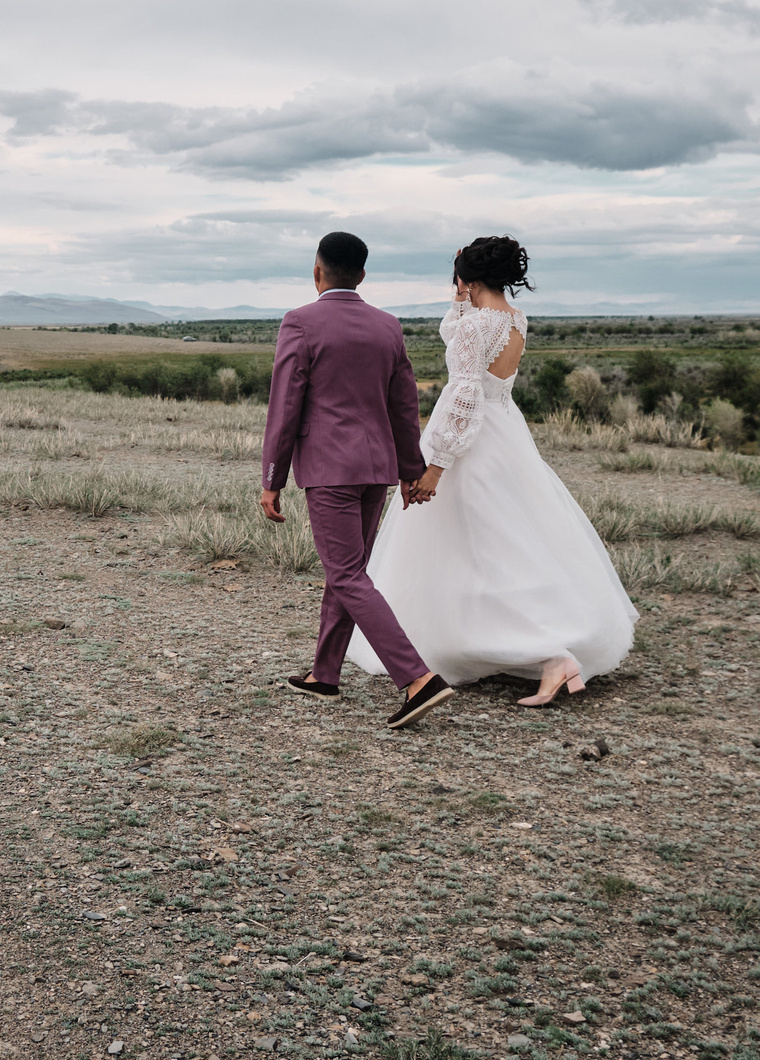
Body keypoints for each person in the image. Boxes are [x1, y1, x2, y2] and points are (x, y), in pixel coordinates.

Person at [347, 235, 636, 703]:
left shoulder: (477, 326)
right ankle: (541, 645)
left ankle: (550, 655)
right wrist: (463, 301)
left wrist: (437, 465)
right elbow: (465, 346)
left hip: (470, 442)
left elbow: (463, 395)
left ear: (468, 278)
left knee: (483, 547)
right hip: (504, 431)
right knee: (509, 538)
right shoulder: (513, 318)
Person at [259, 231, 457, 730]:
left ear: (316, 271)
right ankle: (325, 674)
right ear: (363, 275)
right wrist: (410, 471)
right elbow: (403, 407)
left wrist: (271, 478)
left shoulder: (299, 322)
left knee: (346, 574)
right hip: (376, 471)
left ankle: (416, 679)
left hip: (329, 471)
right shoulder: (388, 326)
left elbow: (285, 407)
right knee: (346, 570)